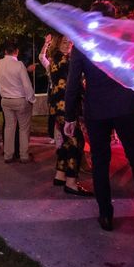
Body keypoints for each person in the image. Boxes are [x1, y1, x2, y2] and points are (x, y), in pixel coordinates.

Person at [64, 0, 134, 232]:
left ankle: (106, 215)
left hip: (97, 111)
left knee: (101, 163)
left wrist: (69, 116)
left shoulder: (82, 45)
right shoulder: (124, 40)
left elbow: (73, 83)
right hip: (125, 107)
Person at [47, 35, 93, 196]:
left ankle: (60, 175)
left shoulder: (56, 58)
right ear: (57, 44)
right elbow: (73, 84)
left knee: (67, 141)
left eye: (70, 42)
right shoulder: (66, 60)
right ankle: (71, 182)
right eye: (64, 42)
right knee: (76, 141)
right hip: (65, 105)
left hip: (58, 105)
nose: (68, 45)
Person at [0, 41, 35, 163]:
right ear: (16, 51)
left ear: (5, 51)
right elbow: (27, 85)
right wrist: (31, 99)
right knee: (23, 128)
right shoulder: (19, 65)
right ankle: (24, 156)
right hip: (20, 100)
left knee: (9, 127)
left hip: (5, 100)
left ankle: (8, 155)